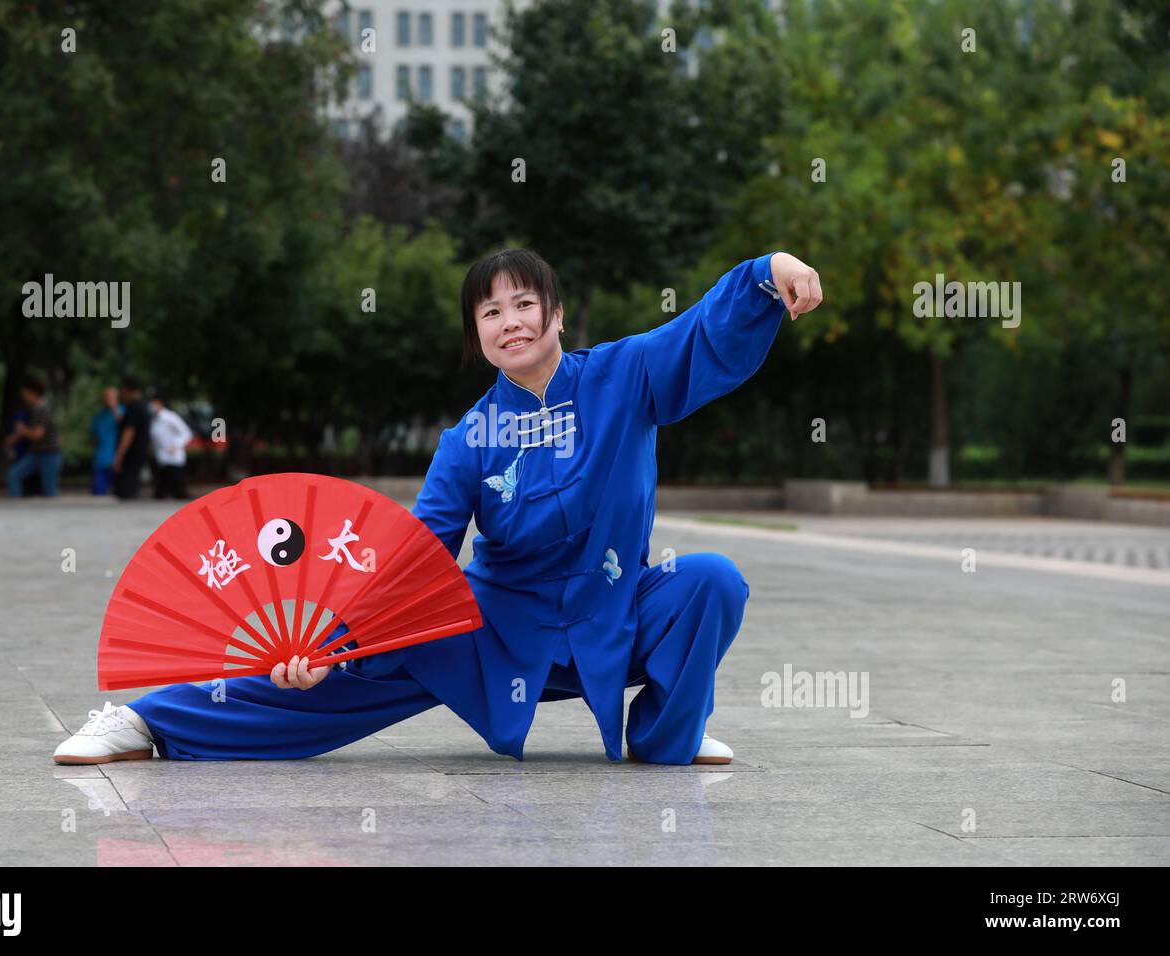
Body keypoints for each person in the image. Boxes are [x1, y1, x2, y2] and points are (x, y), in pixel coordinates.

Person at [54, 249, 823, 766]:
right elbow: (416, 552)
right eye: (491, 314)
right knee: (333, 677)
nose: (511, 321)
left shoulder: (629, 376)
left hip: (612, 611)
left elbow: (699, 335)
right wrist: (324, 643)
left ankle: (668, 738)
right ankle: (153, 720)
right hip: (494, 630)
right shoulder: (468, 439)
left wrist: (767, 271)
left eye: (526, 304)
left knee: (711, 580)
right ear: (477, 337)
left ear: (557, 316)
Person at [4, 377, 62, 497]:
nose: (23, 396)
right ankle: (15, 509)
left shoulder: (43, 408)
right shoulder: (36, 409)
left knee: (49, 491)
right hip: (37, 452)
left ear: (33, 393)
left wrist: (22, 430)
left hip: (48, 454)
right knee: (14, 475)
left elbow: (37, 434)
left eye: (25, 393)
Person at [148, 393, 193, 500]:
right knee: (160, 492)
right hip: (161, 459)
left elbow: (186, 433)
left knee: (178, 490)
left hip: (174, 458)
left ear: (159, 403)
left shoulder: (170, 417)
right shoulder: (153, 420)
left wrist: (176, 445)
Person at [112, 376, 150, 500]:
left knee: (125, 491)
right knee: (132, 488)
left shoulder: (133, 407)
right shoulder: (143, 406)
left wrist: (119, 455)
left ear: (128, 390)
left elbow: (129, 432)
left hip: (131, 454)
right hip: (139, 452)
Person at [90, 387, 122, 496]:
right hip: (101, 459)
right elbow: (95, 437)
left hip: (118, 459)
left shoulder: (123, 411)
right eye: (106, 397)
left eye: (111, 397)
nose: (108, 400)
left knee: (120, 494)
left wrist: (114, 409)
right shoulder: (99, 416)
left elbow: (125, 428)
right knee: (98, 493)